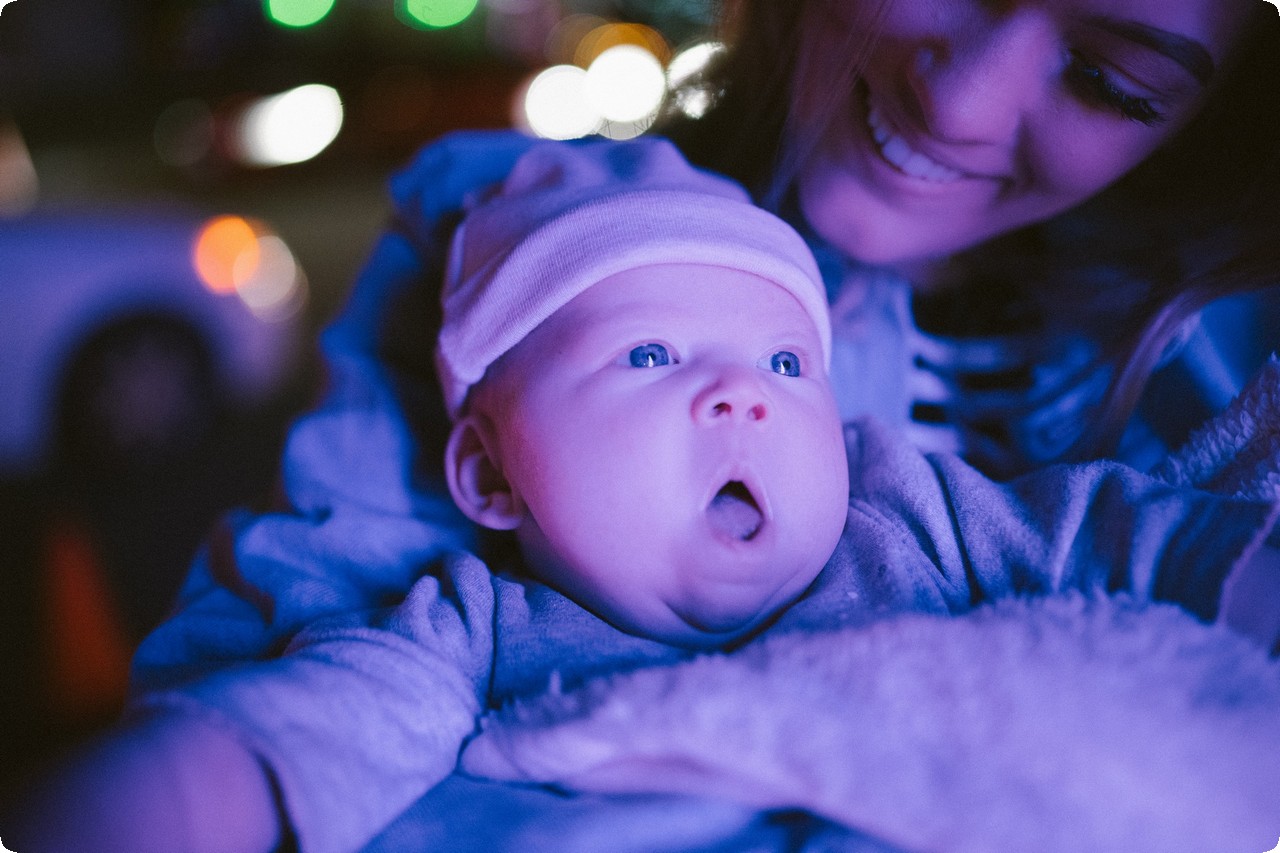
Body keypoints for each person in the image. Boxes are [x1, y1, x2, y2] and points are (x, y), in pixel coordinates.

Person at [8, 139, 1277, 853]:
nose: (744, 396)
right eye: (651, 356)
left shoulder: (911, 508)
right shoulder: (470, 626)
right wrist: (170, 789)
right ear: (489, 475)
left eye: (786, 365)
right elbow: (317, 719)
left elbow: (1130, 534)